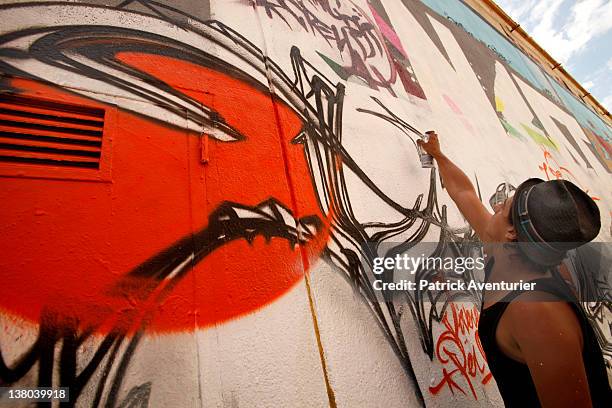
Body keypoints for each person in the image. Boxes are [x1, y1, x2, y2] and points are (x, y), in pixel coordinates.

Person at [417, 132, 611, 407]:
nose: (494, 205)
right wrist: (438, 154)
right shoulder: (510, 255)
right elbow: (465, 194)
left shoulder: (536, 310)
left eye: (503, 206)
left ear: (511, 232)